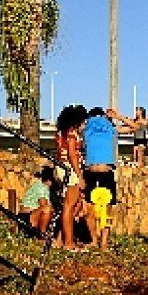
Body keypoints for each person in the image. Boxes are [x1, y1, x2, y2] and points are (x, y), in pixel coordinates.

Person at [82, 107, 118, 251]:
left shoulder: (110, 129)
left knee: (107, 209)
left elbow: (135, 127)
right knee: (88, 209)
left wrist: (117, 117)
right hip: (90, 173)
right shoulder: (86, 129)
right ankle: (94, 240)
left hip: (106, 173)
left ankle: (103, 243)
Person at [55, 104, 89, 249]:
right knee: (70, 206)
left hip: (63, 168)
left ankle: (59, 240)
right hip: (70, 170)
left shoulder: (61, 132)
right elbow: (72, 155)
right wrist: (80, 176)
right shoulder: (71, 134)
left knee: (74, 205)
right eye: (83, 122)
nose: (84, 125)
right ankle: (69, 243)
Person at [19, 166, 55, 234]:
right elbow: (44, 205)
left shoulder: (46, 188)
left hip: (32, 215)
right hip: (26, 218)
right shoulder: (41, 187)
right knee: (47, 209)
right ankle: (42, 235)